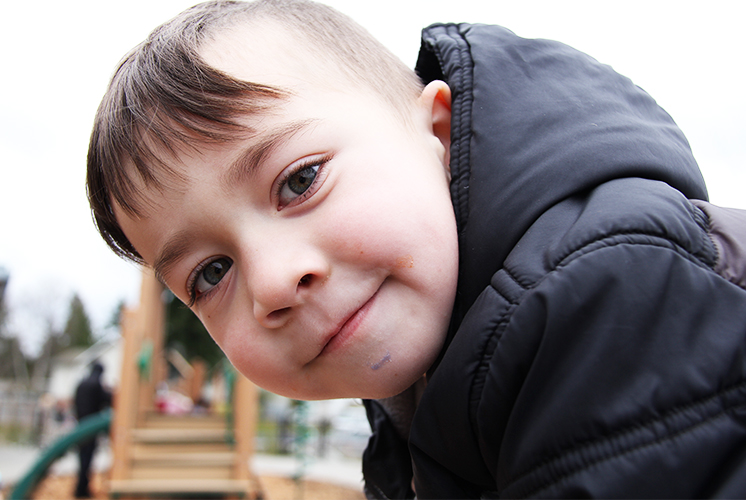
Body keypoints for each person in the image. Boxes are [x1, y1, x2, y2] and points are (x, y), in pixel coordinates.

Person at [85, 1, 746, 497]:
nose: (275, 284)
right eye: (210, 273)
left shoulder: (604, 289)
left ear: (436, 131)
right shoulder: (420, 396)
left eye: (300, 180)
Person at [73, 363, 111, 498]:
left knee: (81, 459)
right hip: (91, 428)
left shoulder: (81, 384)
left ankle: (80, 487)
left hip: (80, 426)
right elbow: (107, 399)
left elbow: (75, 403)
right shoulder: (96, 385)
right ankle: (82, 489)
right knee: (87, 460)